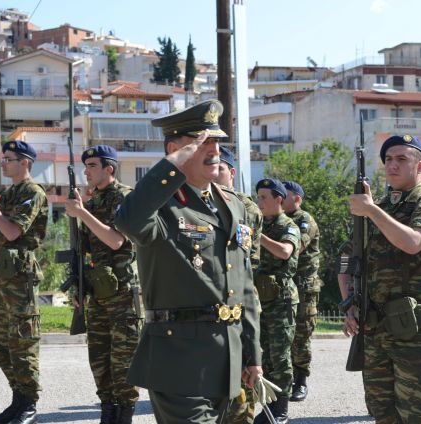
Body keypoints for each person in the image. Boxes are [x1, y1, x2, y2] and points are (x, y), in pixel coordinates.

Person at [114, 99, 262, 424]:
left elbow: (244, 287)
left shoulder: (233, 205)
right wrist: (172, 165)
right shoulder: (160, 206)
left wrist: (253, 355)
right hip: (178, 360)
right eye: (200, 141)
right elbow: (127, 221)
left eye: (216, 140)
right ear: (174, 149)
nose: (213, 149)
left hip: (229, 359)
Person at [341, 134, 421, 423]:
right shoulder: (376, 208)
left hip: (417, 331)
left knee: (417, 415)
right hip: (376, 330)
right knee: (383, 414)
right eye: (389, 159)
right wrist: (350, 304)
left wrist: (371, 210)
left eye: (402, 159)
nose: (393, 165)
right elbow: (350, 262)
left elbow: (413, 242)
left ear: (420, 166)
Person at [64, 145, 140, 424]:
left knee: (123, 362)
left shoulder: (125, 197)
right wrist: (78, 288)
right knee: (99, 360)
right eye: (85, 166)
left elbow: (116, 241)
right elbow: (82, 252)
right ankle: (107, 411)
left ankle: (125, 414)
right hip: (97, 292)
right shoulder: (92, 202)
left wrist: (81, 213)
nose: (86, 171)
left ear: (109, 168)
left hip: (121, 292)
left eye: (92, 166)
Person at [0, 141, 47, 424]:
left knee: (23, 345)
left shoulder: (33, 193)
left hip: (22, 282)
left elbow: (11, 233)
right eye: (3, 159)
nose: (3, 163)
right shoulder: (7, 194)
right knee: (3, 345)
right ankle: (17, 400)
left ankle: (29, 404)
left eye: (8, 159)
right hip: (5, 281)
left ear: (24, 162)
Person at [216, 146, 263, 424]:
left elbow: (243, 261)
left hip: (238, 296)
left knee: (241, 386)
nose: (214, 173)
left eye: (219, 168)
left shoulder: (244, 207)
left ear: (231, 172)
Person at [253, 178, 300, 424]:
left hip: (281, 301)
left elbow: (285, 251)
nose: (259, 202)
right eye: (257, 197)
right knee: (267, 357)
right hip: (262, 300)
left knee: (280, 357)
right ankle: (269, 408)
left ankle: (281, 410)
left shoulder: (288, 225)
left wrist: (258, 236)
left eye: (263, 197)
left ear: (279, 199)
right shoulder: (261, 224)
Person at [282, 180, 321, 402]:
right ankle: (284, 380)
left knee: (300, 335)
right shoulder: (277, 220)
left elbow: (297, 246)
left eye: (284, 196)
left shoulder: (305, 220)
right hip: (284, 287)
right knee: (282, 335)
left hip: (304, 288)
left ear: (297, 199)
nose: (279, 199)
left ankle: (301, 381)